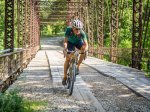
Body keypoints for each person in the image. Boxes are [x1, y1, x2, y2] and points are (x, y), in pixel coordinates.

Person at [62, 19, 88, 85]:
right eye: (76, 29)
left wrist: (85, 50)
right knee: (67, 59)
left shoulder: (82, 33)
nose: (78, 30)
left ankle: (78, 66)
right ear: (73, 28)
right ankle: (65, 76)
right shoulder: (68, 30)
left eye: (79, 29)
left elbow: (86, 44)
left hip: (78, 42)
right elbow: (65, 41)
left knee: (83, 49)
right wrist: (65, 48)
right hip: (70, 43)